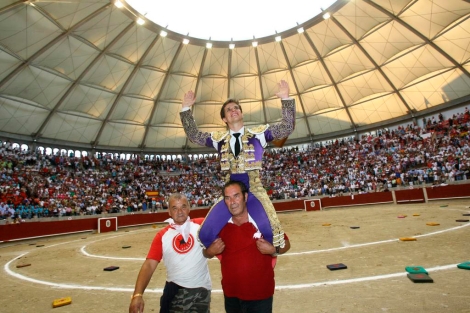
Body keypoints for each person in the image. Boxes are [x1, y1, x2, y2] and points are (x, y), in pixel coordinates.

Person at [180, 80, 295, 250]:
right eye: (229, 109)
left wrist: (286, 98)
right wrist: (186, 110)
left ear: (241, 113)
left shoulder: (259, 134)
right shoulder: (218, 138)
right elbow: (194, 135)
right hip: (230, 193)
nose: (234, 110)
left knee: (273, 233)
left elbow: (286, 127)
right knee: (205, 235)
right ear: (224, 118)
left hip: (254, 190)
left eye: (236, 108)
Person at [203, 180, 290, 313]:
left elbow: (286, 244)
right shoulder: (219, 225)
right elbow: (205, 253)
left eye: (236, 196)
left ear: (246, 197)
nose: (232, 202)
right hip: (231, 295)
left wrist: (273, 250)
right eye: (228, 198)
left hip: (261, 295)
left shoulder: (263, 221)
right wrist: (209, 252)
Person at [129, 193, 211, 313]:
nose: (180, 211)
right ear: (169, 212)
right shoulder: (162, 236)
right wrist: (137, 295)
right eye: (175, 208)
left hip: (201, 292)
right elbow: (149, 265)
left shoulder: (202, 225)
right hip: (175, 292)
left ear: (189, 208)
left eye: (183, 207)